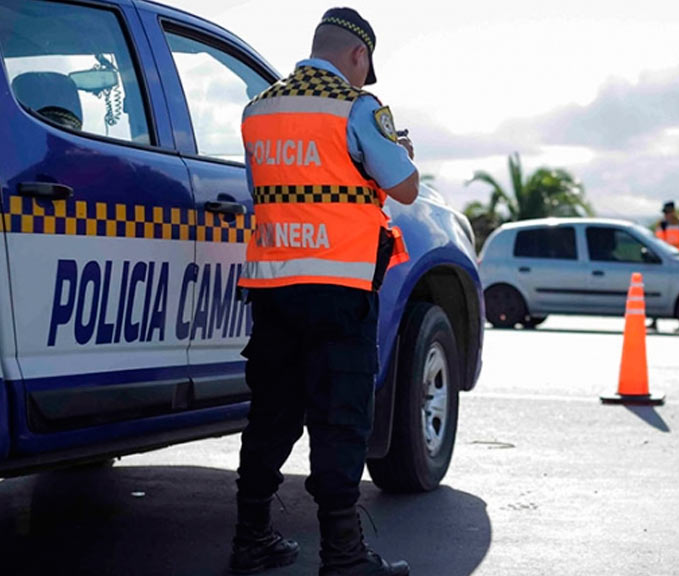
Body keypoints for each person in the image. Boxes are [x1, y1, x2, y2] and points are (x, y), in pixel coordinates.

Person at [230, 8, 417, 576]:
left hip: (274, 286)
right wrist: (398, 148)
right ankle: (343, 556)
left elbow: (266, 186)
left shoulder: (256, 110)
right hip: (339, 288)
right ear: (358, 56)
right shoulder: (357, 108)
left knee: (271, 414)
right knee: (340, 416)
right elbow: (404, 188)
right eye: (365, 68)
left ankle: (251, 539)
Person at [648, 201, 679, 331]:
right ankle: (654, 320)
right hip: (664, 262)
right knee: (658, 290)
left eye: (668, 212)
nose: (666, 215)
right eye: (665, 213)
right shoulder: (661, 225)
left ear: (673, 212)